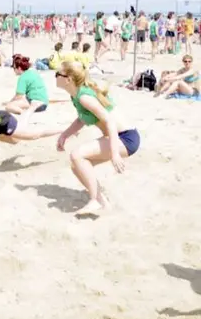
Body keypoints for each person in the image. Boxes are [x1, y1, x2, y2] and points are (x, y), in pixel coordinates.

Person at [55, 61, 140, 216]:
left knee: (77, 155)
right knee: (77, 166)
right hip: (117, 136)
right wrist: (65, 134)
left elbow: (110, 122)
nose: (55, 77)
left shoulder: (84, 97)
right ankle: (102, 202)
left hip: (126, 138)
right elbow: (81, 119)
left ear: (68, 79)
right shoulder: (75, 96)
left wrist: (114, 154)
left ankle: (94, 200)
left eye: (57, 74)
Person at [4, 54, 49, 124]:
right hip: (44, 102)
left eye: (14, 68)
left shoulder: (22, 78)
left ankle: (24, 114)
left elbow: (19, 96)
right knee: (22, 101)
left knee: (9, 106)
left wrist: (10, 102)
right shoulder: (33, 72)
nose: (13, 70)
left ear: (19, 68)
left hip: (36, 103)